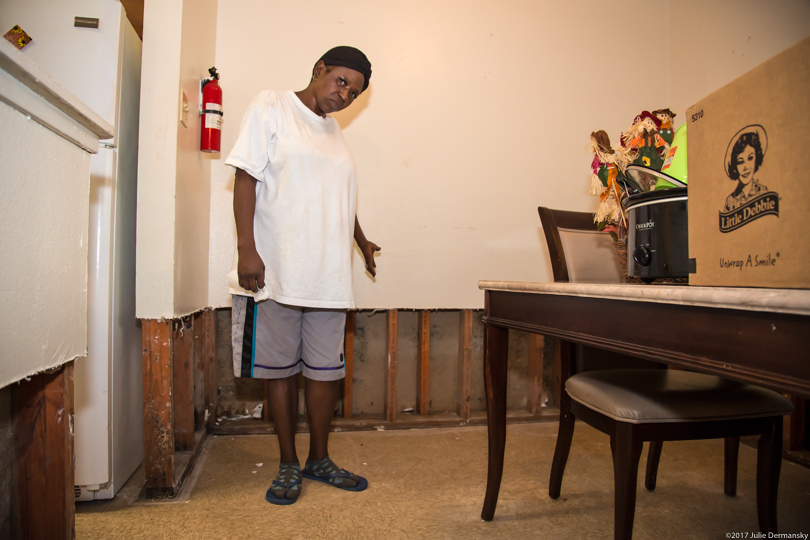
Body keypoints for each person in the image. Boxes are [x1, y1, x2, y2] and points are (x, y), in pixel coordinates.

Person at [225, 46, 380, 505]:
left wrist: (361, 241)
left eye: (354, 91)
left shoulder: (334, 134)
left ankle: (319, 459)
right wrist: (246, 250)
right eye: (341, 81)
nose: (345, 93)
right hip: (280, 269)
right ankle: (287, 463)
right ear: (319, 70)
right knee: (280, 372)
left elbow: (338, 198)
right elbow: (246, 179)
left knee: (324, 374)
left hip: (329, 275)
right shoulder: (271, 105)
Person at [723, 126, 768, 212]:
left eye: (750, 158)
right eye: (740, 162)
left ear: (756, 159)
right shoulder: (730, 201)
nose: (746, 167)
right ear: (735, 166)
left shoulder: (763, 191)